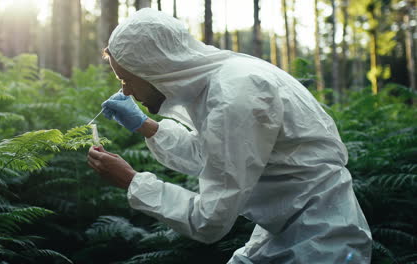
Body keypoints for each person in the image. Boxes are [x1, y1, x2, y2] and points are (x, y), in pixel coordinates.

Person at [87, 8, 372, 263]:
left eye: (126, 80)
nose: (125, 91)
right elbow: (213, 156)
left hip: (320, 245)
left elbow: (209, 221)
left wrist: (132, 182)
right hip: (285, 232)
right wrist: (145, 126)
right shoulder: (224, 81)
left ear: (154, 68)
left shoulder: (236, 94)